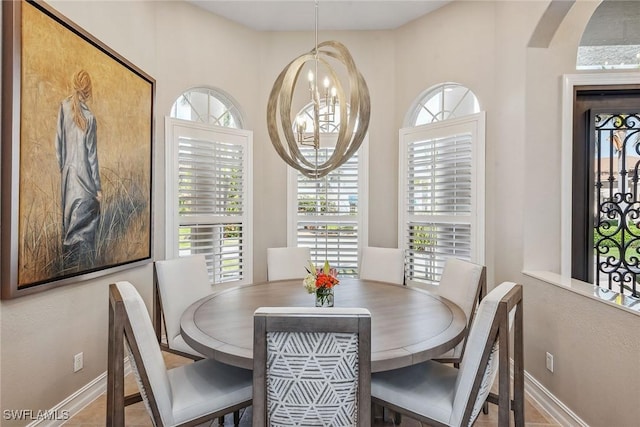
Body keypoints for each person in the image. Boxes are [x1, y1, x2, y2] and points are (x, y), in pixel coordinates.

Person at [55, 70, 102, 271]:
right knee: (88, 227)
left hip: (68, 179)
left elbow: (58, 146)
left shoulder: (63, 107)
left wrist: (64, 170)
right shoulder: (90, 118)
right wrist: (98, 188)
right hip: (86, 182)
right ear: (88, 90)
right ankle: (85, 270)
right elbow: (92, 157)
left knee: (69, 230)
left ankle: (68, 271)